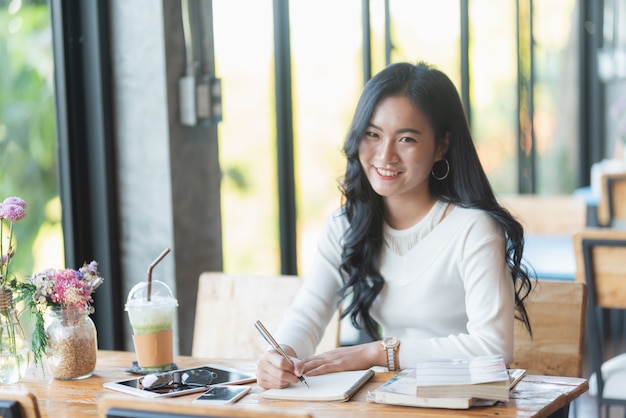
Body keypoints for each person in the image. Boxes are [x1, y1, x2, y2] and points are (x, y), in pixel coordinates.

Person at [256, 61, 533, 389]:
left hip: (464, 403)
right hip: (391, 399)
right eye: (372, 134)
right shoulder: (347, 225)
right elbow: (308, 313)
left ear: (441, 146)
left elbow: (493, 349)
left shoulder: (474, 229)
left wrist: (378, 353)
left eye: (406, 140)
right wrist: (282, 354)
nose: (385, 155)